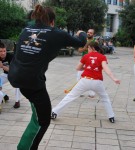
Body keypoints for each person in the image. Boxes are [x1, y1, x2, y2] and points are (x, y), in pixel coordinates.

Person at [8, 4, 87, 150]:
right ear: (52, 21)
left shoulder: (26, 29)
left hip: (16, 76)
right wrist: (82, 32)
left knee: (37, 113)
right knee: (43, 120)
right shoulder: (56, 33)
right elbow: (82, 42)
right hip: (32, 82)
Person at [51, 41, 120, 123]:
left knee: (70, 96)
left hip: (85, 81)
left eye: (88, 48)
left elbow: (78, 68)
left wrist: (86, 68)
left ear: (91, 48)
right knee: (105, 98)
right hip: (97, 82)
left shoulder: (86, 56)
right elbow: (106, 69)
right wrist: (114, 78)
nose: (87, 50)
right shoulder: (102, 57)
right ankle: (111, 116)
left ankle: (54, 112)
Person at [0, 41, 21, 113]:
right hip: (5, 75)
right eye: (0, 51)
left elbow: (12, 70)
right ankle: (4, 96)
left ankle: (17, 101)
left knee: (17, 85)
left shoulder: (11, 56)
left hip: (14, 74)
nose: (3, 53)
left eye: (4, 51)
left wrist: (2, 66)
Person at [77, 29, 96, 98]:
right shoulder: (83, 40)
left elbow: (97, 51)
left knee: (92, 77)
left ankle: (92, 93)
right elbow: (79, 50)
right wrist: (85, 47)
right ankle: (79, 91)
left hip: (92, 61)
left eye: (91, 33)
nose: (89, 33)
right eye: (88, 32)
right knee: (79, 75)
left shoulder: (95, 41)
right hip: (83, 60)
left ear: (93, 34)